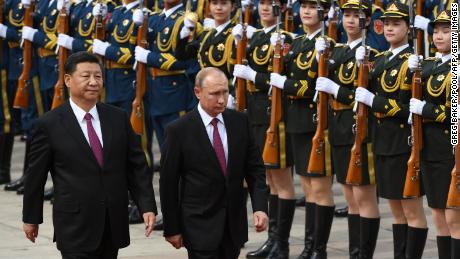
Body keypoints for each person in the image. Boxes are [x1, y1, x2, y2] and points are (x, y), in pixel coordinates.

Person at [22, 52, 157, 259]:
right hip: (74, 225)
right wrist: (31, 218)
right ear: (68, 80)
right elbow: (35, 176)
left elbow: (136, 166)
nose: (93, 82)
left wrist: (146, 206)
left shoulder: (117, 118)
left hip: (112, 223)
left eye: (98, 76)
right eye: (86, 76)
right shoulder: (49, 124)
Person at [160, 67, 269, 259]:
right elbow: (168, 183)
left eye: (225, 92)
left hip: (233, 226)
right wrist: (172, 228)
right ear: (198, 92)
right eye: (215, 94)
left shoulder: (240, 121)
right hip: (198, 226)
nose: (221, 99)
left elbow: (254, 169)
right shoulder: (178, 130)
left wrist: (260, 207)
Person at [355, 2, 428, 258]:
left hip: (403, 141)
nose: (389, 28)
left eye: (396, 24)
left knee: (411, 209)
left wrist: (372, 100)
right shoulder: (381, 58)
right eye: (386, 24)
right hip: (383, 140)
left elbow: (408, 109)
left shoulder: (413, 61)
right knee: (396, 209)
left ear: (408, 29)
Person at [314, 0, 381, 258]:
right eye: (347, 15)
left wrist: (337, 90)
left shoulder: (371, 54)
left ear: (366, 20)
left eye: (357, 16)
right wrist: (320, 56)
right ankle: (355, 253)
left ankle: (364, 254)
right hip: (339, 127)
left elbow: (364, 96)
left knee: (364, 197)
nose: (351, 20)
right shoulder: (338, 52)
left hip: (360, 127)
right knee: (350, 197)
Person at [232, 0, 295, 257]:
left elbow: (284, 79)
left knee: (281, 180)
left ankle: (281, 242)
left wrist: (254, 77)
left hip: (275, 114)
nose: (265, 8)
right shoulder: (254, 36)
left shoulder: (287, 38)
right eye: (262, 3)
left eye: (272, 3)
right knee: (267, 178)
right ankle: (272, 239)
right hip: (255, 113)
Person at [408, 10, 460, 259]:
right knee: (439, 216)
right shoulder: (429, 65)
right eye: (436, 31)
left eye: (446, 30)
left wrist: (424, 109)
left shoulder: (456, 67)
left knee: (454, 218)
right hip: (428, 147)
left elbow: (455, 114)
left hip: (449, 149)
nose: (439, 36)